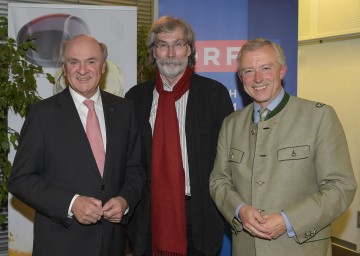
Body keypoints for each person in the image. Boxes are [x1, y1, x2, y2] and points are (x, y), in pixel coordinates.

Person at [209, 38, 357, 256]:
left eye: (266, 68)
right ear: (241, 78)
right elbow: (219, 181)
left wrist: (288, 220)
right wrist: (240, 210)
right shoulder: (231, 124)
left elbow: (340, 187)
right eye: (249, 71)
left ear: (282, 70)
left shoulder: (319, 117)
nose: (257, 78)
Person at [9, 34, 144, 256]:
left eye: (91, 61)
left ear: (103, 66)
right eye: (74, 62)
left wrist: (125, 200)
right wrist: (71, 204)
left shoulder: (125, 111)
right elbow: (21, 180)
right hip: (61, 245)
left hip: (111, 244)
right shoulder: (42, 115)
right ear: (64, 67)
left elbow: (135, 168)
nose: (82, 70)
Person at [125, 16, 233, 256]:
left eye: (178, 44)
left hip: (200, 216)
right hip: (148, 217)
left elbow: (229, 161)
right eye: (162, 45)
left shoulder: (215, 95)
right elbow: (128, 162)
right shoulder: (134, 99)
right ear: (154, 53)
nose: (171, 53)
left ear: (190, 49)